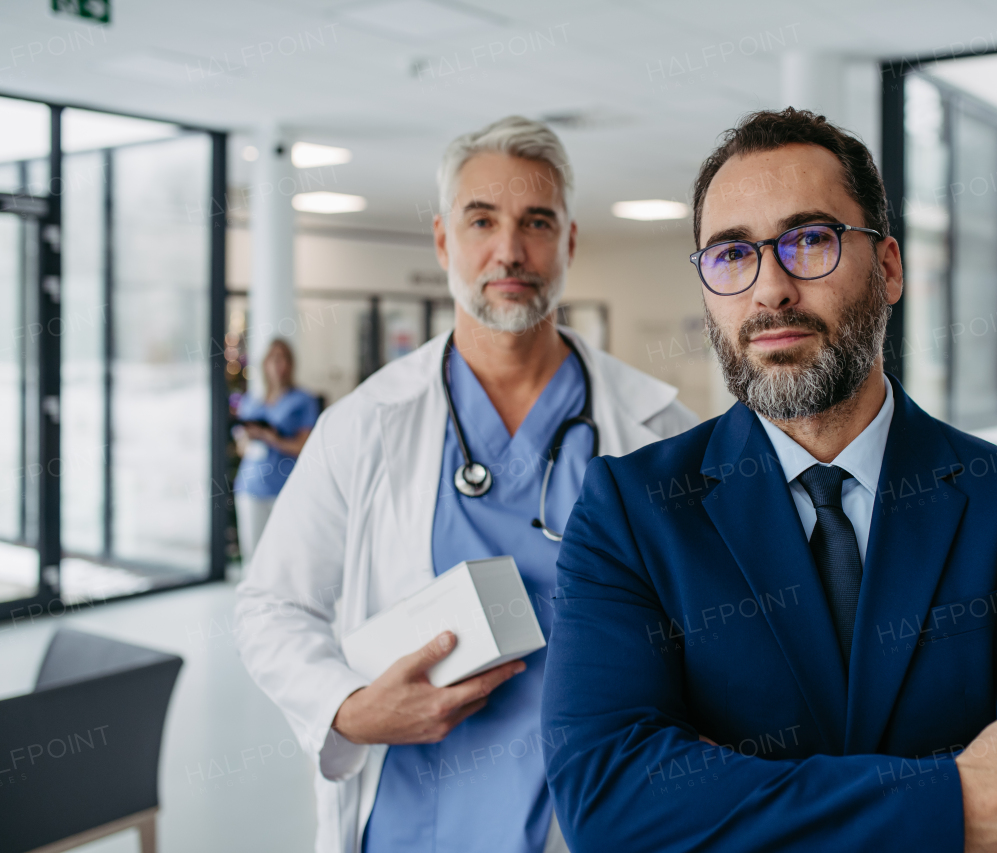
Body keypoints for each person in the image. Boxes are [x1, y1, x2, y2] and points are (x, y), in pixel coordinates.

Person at [542, 108, 997, 852]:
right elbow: (609, 799)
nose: (770, 290)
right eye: (732, 254)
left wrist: (728, 795)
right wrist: (954, 807)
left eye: (810, 240)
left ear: (889, 267)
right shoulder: (631, 513)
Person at [234, 116, 698, 853]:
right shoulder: (365, 425)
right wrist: (349, 708)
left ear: (570, 242)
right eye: (482, 219)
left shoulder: (663, 430)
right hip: (414, 818)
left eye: (536, 222)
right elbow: (270, 606)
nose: (509, 249)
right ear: (445, 239)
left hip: (598, 814)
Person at [232, 338, 319, 563]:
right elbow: (242, 448)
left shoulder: (303, 401)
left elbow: (304, 447)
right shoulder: (252, 401)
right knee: (253, 557)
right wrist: (249, 437)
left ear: (291, 364)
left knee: (284, 558)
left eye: (283, 359)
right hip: (251, 487)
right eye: (273, 359)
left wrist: (272, 439)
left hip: (284, 488)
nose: (278, 366)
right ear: (264, 364)